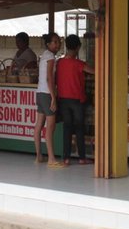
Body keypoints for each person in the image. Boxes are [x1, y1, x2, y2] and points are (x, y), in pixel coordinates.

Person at [54, 34, 95, 165]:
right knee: (79, 128)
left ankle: (66, 158)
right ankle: (82, 157)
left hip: (63, 100)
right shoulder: (79, 64)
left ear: (66, 46)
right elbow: (96, 72)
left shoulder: (59, 63)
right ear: (78, 47)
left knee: (67, 128)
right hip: (77, 100)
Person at [33, 32, 63, 167]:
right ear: (48, 44)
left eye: (58, 41)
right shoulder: (50, 57)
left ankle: (39, 156)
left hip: (39, 93)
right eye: (55, 42)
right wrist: (53, 97)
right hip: (46, 94)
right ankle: (51, 159)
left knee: (38, 126)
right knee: (50, 127)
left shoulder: (44, 55)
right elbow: (49, 78)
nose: (58, 44)